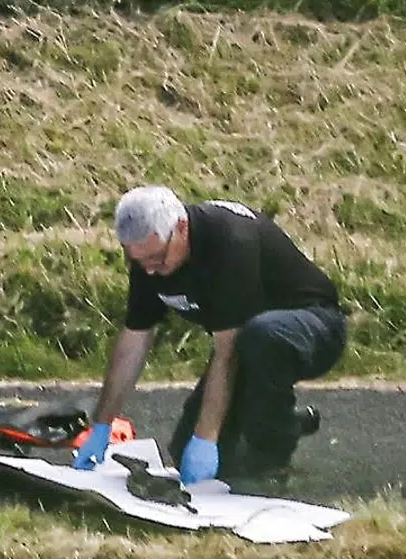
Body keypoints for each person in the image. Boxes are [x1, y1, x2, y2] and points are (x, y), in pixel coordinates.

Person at [72, 185, 347, 484]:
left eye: (157, 258)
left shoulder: (228, 240)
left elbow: (228, 351)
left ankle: (272, 453)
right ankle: (283, 422)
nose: (149, 271)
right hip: (249, 342)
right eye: (138, 261)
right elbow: (134, 339)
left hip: (314, 327)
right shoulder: (149, 255)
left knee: (259, 337)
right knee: (184, 450)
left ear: (181, 228)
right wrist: (101, 425)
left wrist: (206, 440)